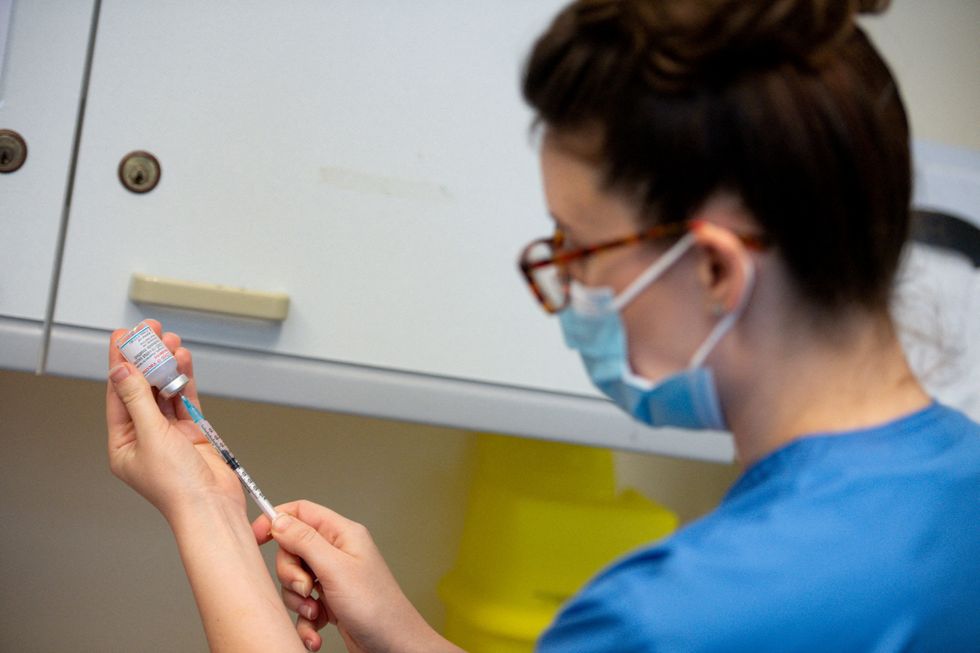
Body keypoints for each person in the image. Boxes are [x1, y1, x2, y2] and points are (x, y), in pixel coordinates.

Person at [106, 0, 980, 651]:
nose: (571, 289)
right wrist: (402, 631)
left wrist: (207, 511)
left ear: (715, 268)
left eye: (581, 248)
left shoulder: (672, 615)